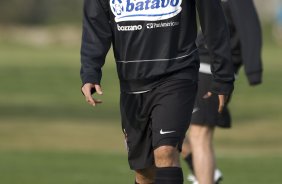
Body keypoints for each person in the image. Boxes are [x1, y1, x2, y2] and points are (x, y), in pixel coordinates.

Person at [80, 0, 234, 183]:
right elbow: (95, 26)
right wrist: (90, 73)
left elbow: (213, 20)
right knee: (144, 172)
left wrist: (223, 75)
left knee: (166, 152)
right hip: (132, 85)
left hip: (177, 74)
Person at [181, 0, 263, 184]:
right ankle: (203, 171)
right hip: (191, 67)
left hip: (211, 71)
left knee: (199, 135)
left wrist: (254, 71)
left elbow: (251, 30)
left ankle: (205, 177)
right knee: (169, 131)